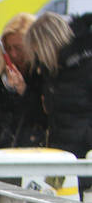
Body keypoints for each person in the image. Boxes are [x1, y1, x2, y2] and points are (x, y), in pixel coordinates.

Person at [27, 11, 92, 165]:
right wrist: (23, 89)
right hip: (61, 154)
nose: (38, 57)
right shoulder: (52, 72)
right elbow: (39, 115)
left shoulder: (85, 64)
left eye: (38, 51)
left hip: (83, 156)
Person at [0, 12, 45, 153]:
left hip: (37, 147)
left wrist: (23, 89)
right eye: (8, 48)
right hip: (8, 145)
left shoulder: (43, 70)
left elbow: (42, 115)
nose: (13, 54)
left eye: (18, 48)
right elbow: (0, 115)